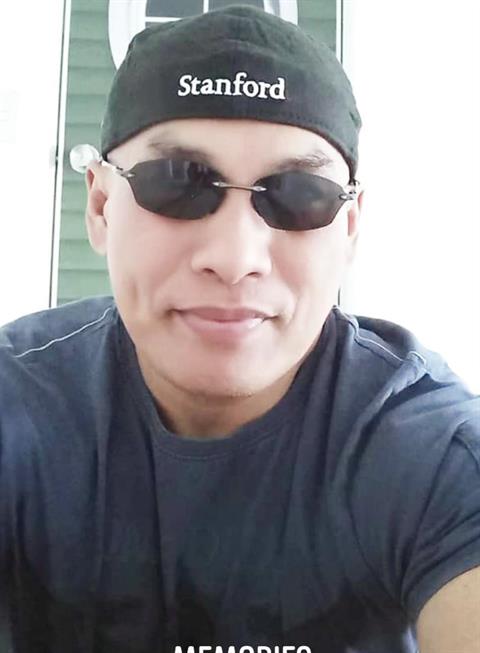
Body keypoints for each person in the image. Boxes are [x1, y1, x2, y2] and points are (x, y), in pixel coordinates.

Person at [0, 5, 479, 652]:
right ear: (101, 205)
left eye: (300, 193)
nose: (234, 257)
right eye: (176, 182)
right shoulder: (18, 406)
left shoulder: (429, 449)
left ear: (349, 227)